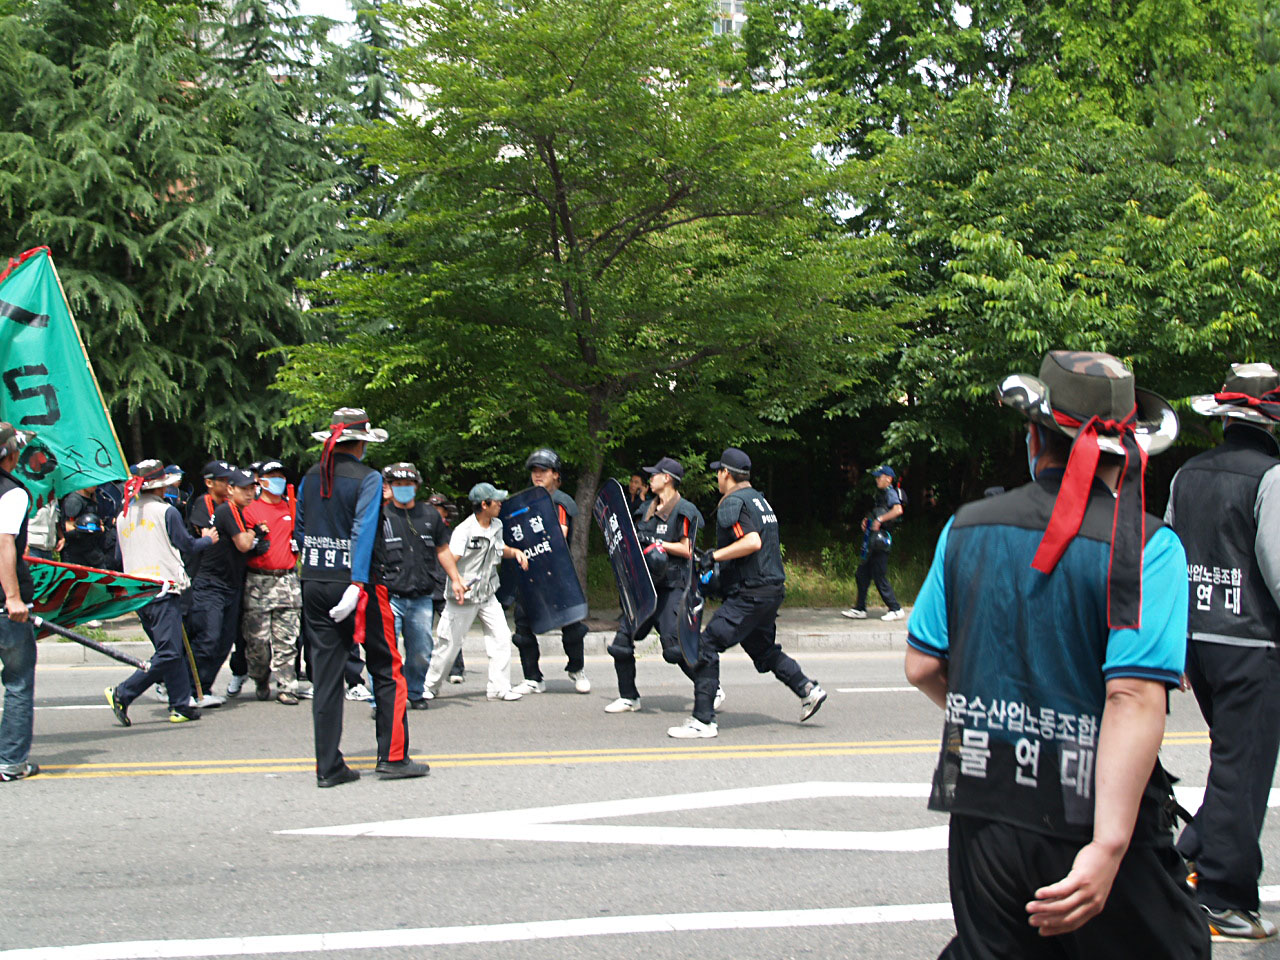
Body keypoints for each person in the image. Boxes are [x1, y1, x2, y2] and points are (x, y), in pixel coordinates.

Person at [904, 350, 1207, 959]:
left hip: (984, 805)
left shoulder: (965, 526)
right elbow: (1132, 695)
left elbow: (923, 665)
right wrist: (1109, 847)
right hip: (1090, 814)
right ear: (1130, 449)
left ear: (1035, 436)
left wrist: (1002, 718)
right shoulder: (1149, 546)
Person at [1167, 362, 1280, 941]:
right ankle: (1222, 897)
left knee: (1235, 762)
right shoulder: (1271, 477)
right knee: (1245, 769)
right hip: (1253, 642)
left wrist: (1175, 642)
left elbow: (1169, 555)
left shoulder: (1187, 473)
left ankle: (1186, 854)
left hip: (1198, 641)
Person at [296, 408, 426, 787]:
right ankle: (393, 757)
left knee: (326, 676)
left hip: (314, 579)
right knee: (387, 667)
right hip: (361, 585)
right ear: (361, 444)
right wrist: (356, 582)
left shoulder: (310, 476)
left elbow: (301, 529)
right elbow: (364, 530)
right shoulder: (368, 478)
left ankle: (328, 767)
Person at [669, 448, 826, 739]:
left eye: (718, 472)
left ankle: (703, 720)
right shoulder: (760, 500)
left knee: (705, 646)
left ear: (726, 473)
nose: (717, 477)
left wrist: (715, 556)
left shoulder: (733, 502)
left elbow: (752, 541)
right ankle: (807, 689)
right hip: (771, 590)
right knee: (763, 650)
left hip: (751, 594)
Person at [106, 460, 215, 725]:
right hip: (162, 588)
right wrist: (208, 539)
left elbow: (119, 556)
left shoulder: (123, 515)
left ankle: (180, 704)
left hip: (137, 591)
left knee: (170, 649)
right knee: (169, 652)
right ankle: (124, 692)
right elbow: (186, 545)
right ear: (160, 486)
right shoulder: (166, 511)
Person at [605, 456, 705, 713]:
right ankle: (629, 697)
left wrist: (659, 545)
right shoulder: (644, 509)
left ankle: (709, 686)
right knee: (621, 644)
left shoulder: (684, 510)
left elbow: (687, 549)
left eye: (654, 475)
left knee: (674, 648)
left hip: (672, 586)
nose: (650, 479)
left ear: (667, 478)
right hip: (644, 585)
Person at [421, 483, 526, 702]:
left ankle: (499, 688)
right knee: (448, 644)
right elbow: (449, 558)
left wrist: (515, 552)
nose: (500, 503)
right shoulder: (464, 531)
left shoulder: (497, 525)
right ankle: (430, 685)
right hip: (463, 597)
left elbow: (499, 549)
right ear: (484, 505)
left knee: (501, 637)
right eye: (496, 501)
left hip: (487, 594)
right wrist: (457, 581)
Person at [511, 447, 591, 696]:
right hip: (529, 573)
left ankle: (577, 669)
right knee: (523, 627)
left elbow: (559, 534)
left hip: (557, 573)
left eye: (543, 470)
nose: (538, 475)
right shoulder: (523, 502)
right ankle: (532, 677)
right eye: (534, 470)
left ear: (555, 474)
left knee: (572, 626)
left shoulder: (560, 502)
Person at [375, 463, 455, 710]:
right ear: (390, 487)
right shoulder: (379, 516)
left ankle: (415, 691)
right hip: (389, 595)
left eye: (408, 484)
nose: (403, 488)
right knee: (384, 651)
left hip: (421, 596)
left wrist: (456, 578)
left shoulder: (430, 515)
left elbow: (443, 549)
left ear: (416, 486)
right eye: (398, 484)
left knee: (421, 651)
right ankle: (382, 699)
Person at [186, 469, 259, 705]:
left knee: (224, 642)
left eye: (252, 488)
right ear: (230, 490)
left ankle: (203, 689)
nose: (250, 493)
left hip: (230, 585)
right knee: (209, 638)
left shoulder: (239, 511)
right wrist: (254, 532)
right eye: (244, 489)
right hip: (211, 585)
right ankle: (188, 690)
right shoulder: (229, 510)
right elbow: (244, 544)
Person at [241, 460, 306, 705]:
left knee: (287, 639)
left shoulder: (293, 507)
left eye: (281, 476)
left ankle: (287, 686)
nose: (277, 480)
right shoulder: (251, 509)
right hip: (259, 581)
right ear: (261, 480)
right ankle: (260, 677)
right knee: (257, 641)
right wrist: (254, 545)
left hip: (287, 579)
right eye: (272, 476)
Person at [0, 425, 38, 781]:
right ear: (11, 456)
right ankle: (11, 761)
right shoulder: (11, 493)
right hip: (4, 606)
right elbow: (4, 543)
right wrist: (13, 597)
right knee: (18, 682)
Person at [841, 465, 905, 622]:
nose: (876, 479)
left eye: (879, 477)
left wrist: (879, 520)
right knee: (862, 573)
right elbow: (879, 513)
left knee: (879, 575)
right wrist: (867, 521)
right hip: (874, 540)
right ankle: (860, 609)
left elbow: (898, 510)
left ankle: (896, 609)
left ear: (888, 479)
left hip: (882, 541)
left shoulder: (890, 493)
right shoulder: (881, 495)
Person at [428, 493, 466, 684]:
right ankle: (426, 668)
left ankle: (456, 668)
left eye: (438, 508)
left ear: (445, 511)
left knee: (451, 631)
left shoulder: (452, 534)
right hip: (425, 587)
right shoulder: (421, 530)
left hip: (445, 586)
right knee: (423, 633)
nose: (435, 511)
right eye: (432, 508)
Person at [59, 484, 108, 569]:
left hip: (92, 551)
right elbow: (69, 528)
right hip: (76, 554)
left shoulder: (93, 500)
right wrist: (87, 529)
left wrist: (98, 527)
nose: (95, 485)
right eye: (91, 482)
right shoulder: (74, 501)